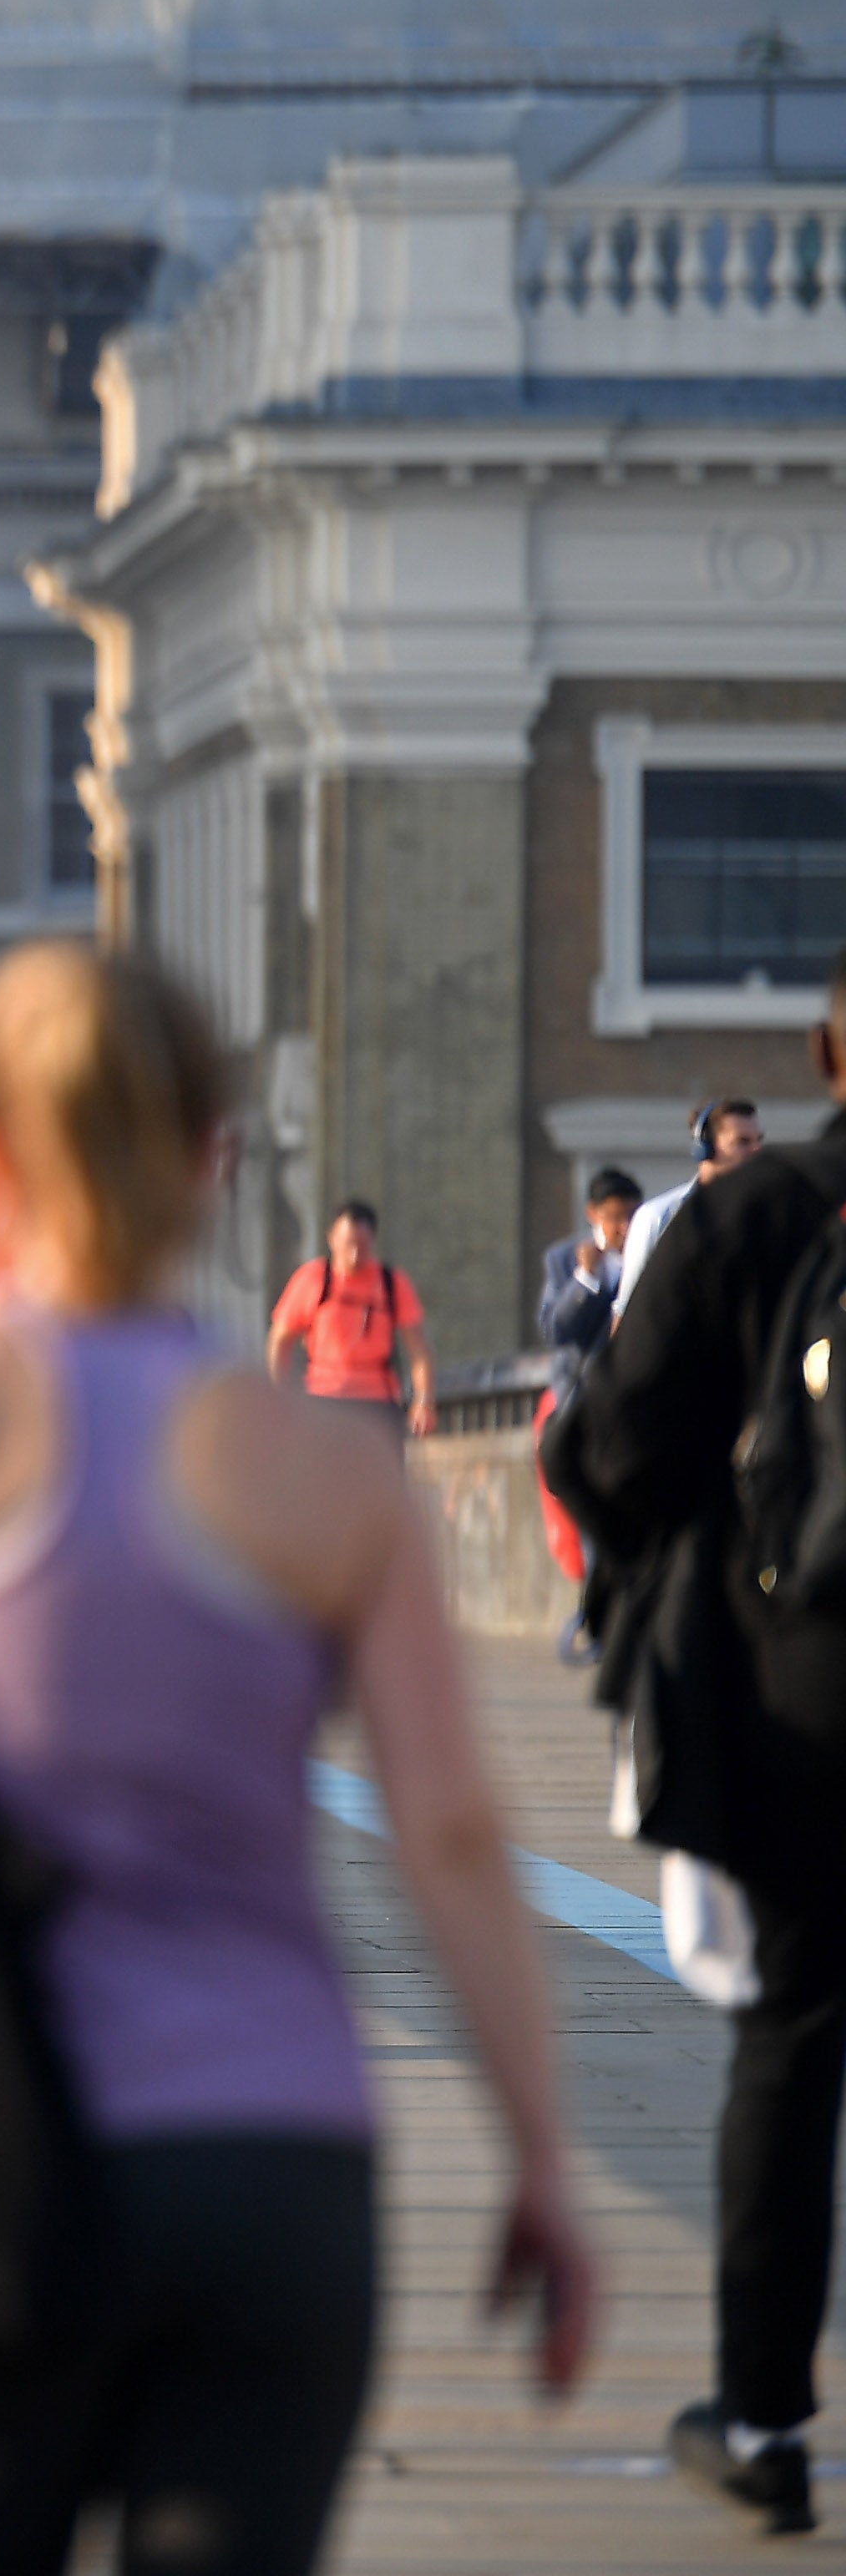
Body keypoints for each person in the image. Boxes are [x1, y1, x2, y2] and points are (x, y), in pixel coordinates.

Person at [0, 938, 590, 2574]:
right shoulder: (329, 1471)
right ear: (213, 1153)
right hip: (275, 2164)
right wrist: (542, 2156)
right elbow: (455, 1829)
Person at [549, 958, 846, 2530]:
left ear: (821, 1050)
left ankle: (761, 2420)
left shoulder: (751, 1214)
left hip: (794, 1693)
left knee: (791, 2040)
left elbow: (603, 1450)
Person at [266, 1200, 435, 1437]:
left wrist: (424, 1400)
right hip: (323, 1400)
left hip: (378, 1403)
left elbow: (418, 1350)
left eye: (363, 1246)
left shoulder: (391, 1284)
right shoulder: (313, 1280)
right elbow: (280, 1340)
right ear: (332, 1239)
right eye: (349, 1245)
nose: (355, 1255)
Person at [621, 1099, 768, 1326]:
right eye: (742, 1142)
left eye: (759, 1141)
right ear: (705, 1149)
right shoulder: (658, 1218)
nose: (756, 1150)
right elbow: (627, 1313)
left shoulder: (770, 1216)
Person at [544, 1167, 643, 1384]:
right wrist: (585, 1278)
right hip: (581, 1390)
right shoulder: (563, 1259)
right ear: (593, 1213)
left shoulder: (648, 1255)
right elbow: (557, 1331)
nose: (625, 1229)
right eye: (615, 1218)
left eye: (631, 1217)